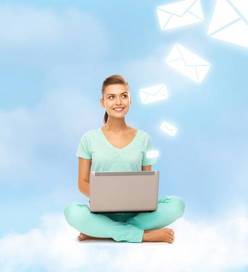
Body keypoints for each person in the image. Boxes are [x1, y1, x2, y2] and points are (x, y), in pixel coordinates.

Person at [64, 74, 185, 243]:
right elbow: (82, 182)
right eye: (111, 97)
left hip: (137, 214)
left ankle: (104, 232)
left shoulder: (144, 138)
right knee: (71, 211)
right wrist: (106, 198)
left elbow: (147, 183)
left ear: (130, 101)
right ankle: (139, 235)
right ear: (103, 102)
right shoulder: (88, 138)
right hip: (101, 212)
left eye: (123, 96)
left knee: (177, 205)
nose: (118, 102)